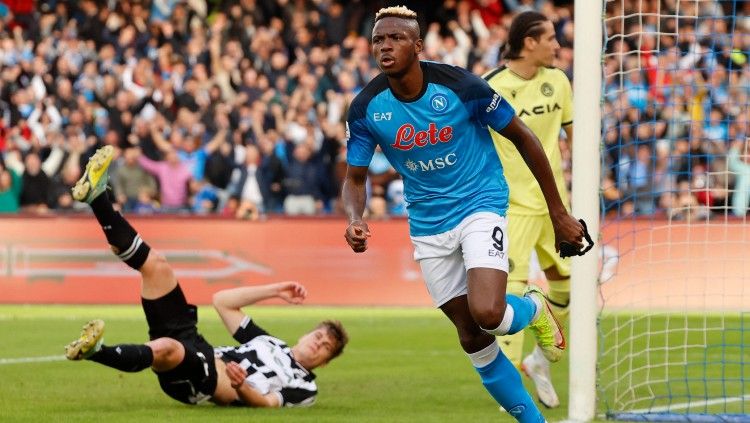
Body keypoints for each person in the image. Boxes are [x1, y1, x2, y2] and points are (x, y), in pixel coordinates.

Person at [342, 6, 587, 423]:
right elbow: (355, 177)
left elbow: (524, 138)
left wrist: (559, 212)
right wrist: (354, 218)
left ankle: (531, 309)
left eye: (396, 38)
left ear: (418, 46)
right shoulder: (366, 107)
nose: (385, 45)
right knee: (472, 337)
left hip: (480, 202)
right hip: (427, 222)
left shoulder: (462, 86)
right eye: (379, 39)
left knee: (489, 313)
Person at [65, 146, 348, 408]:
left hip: (211, 383)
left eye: (325, 348)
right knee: (157, 266)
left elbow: (268, 403)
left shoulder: (305, 387)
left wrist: (242, 387)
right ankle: (98, 198)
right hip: (201, 349)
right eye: (319, 336)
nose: (318, 344)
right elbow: (223, 301)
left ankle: (95, 351)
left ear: (324, 363)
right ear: (306, 334)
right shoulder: (269, 343)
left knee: (166, 348)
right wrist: (275, 290)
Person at [482, 11, 573, 408]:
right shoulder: (492, 87)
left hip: (558, 207)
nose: (558, 45)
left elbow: (578, 136)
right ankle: (511, 388)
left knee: (568, 285)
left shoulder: (560, 81)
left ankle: (540, 360)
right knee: (509, 291)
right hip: (512, 207)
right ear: (529, 42)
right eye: (551, 38)